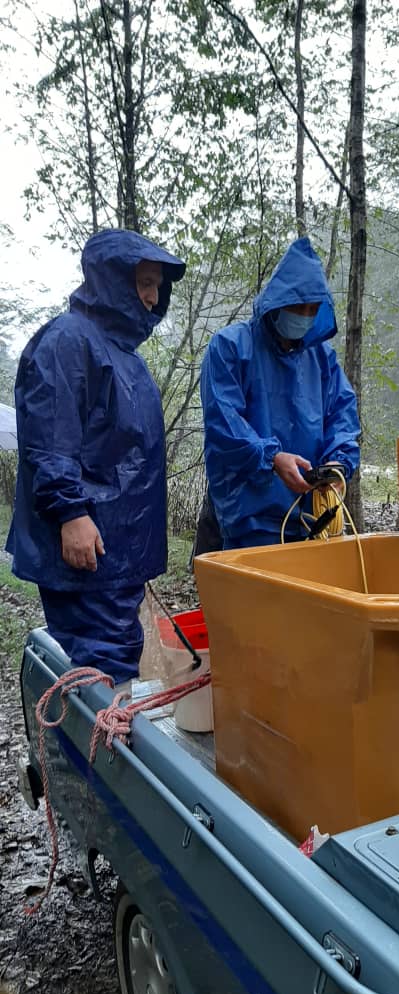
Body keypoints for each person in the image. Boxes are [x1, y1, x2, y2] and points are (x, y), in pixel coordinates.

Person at [6, 228, 185, 686]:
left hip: (121, 548)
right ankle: (99, 750)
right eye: (144, 283)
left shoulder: (125, 356)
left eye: (157, 287)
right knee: (100, 665)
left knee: (115, 658)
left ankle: (108, 737)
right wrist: (70, 512)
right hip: (89, 546)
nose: (152, 297)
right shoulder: (68, 340)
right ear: (112, 281)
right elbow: (50, 435)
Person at [199, 236, 360, 549]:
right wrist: (271, 458)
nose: (304, 315)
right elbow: (224, 423)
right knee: (249, 599)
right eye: (297, 306)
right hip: (248, 520)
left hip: (311, 523)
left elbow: (342, 416)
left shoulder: (321, 358)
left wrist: (339, 465)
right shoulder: (231, 347)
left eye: (312, 309)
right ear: (277, 301)